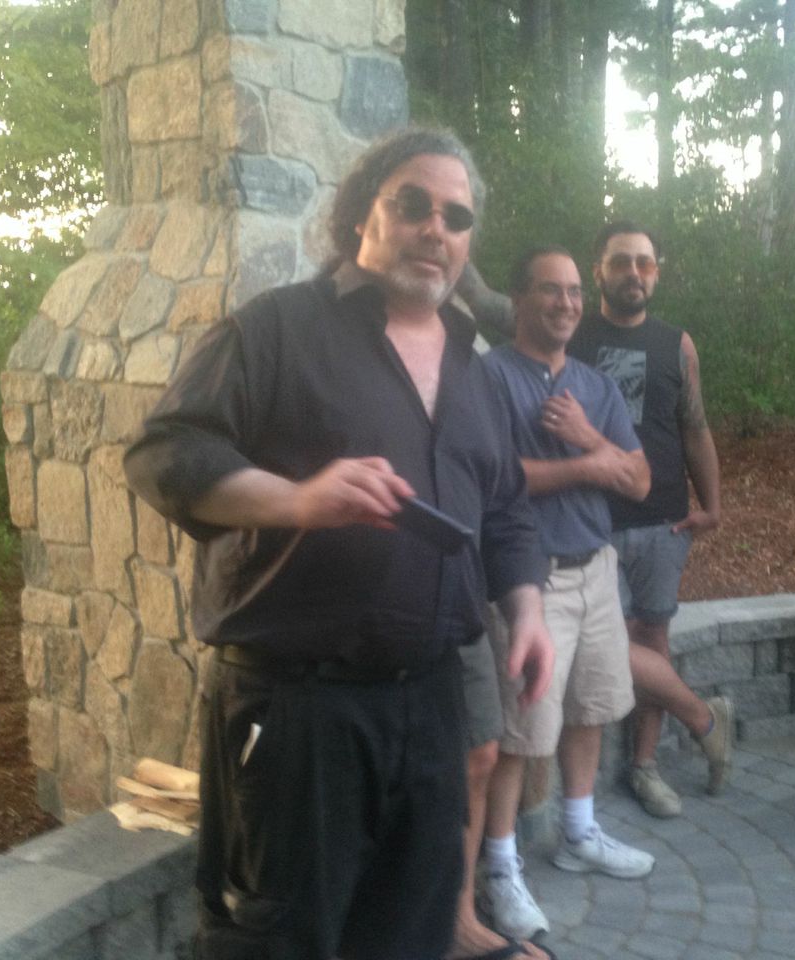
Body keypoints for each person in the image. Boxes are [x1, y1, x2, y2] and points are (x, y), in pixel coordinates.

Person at [123, 126, 554, 960]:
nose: (436, 228)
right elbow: (164, 452)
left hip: (430, 704)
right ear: (363, 212)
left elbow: (504, 511)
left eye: (457, 216)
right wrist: (296, 499)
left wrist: (528, 611)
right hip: (299, 711)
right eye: (413, 204)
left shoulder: (475, 365)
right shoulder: (277, 328)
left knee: (411, 932)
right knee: (279, 942)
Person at [478, 246, 656, 943]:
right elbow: (495, 478)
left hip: (596, 567)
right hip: (532, 578)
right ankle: (499, 867)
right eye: (550, 290)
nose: (567, 303)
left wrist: (585, 439)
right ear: (519, 300)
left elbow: (641, 482)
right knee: (519, 733)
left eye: (576, 291)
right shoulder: (490, 377)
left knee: (591, 708)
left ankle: (579, 833)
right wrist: (593, 463)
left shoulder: (595, 386)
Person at [567, 221, 732, 820]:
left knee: (652, 641)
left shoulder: (676, 345)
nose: (633, 273)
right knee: (599, 640)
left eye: (644, 262)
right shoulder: (571, 332)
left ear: (656, 272)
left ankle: (644, 766)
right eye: (620, 262)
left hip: (663, 521)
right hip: (589, 518)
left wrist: (711, 504)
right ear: (598, 271)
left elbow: (695, 426)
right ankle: (704, 718)